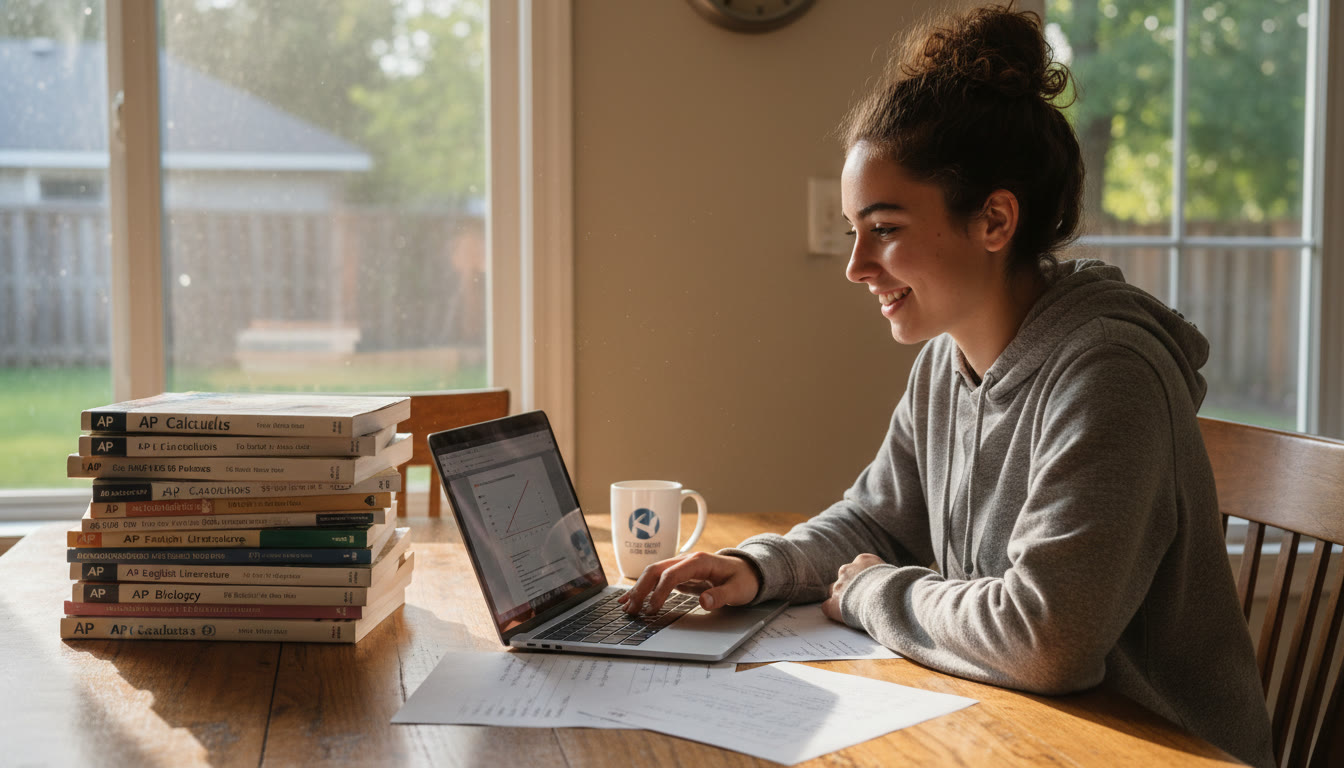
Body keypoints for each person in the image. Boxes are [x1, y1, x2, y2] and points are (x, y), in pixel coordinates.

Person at [617, 5, 1275, 767]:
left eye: (885, 228)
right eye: (851, 231)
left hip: (1152, 751)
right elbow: (876, 522)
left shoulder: (1108, 374)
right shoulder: (947, 357)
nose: (857, 266)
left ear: (995, 220)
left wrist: (870, 594)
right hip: (1015, 731)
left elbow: (1045, 638)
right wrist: (763, 567)